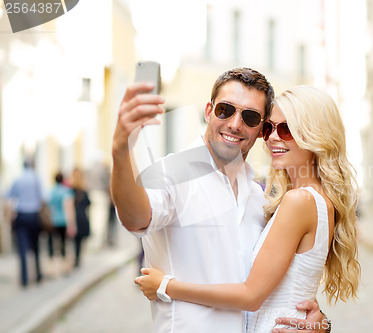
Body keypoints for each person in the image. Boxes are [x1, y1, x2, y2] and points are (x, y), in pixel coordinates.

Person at [111, 68, 328, 332]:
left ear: (261, 130)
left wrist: (315, 320)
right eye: (225, 110)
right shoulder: (173, 173)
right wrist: (122, 150)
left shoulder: (259, 198)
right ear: (208, 112)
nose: (235, 124)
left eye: (249, 117)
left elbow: (271, 284)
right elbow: (135, 217)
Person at [6, 159, 44, 287]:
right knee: (36, 246)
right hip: (33, 215)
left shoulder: (18, 179)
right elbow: (43, 197)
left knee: (22, 248)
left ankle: (24, 278)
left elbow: (9, 196)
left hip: (21, 215)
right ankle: (38, 273)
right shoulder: (36, 178)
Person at [47, 172, 76, 276]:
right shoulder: (66, 192)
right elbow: (69, 208)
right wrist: (72, 224)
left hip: (52, 220)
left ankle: (52, 268)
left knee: (52, 244)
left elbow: (48, 207)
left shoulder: (51, 191)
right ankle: (65, 267)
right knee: (63, 244)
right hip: (63, 221)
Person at [71, 168, 91, 268]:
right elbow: (88, 204)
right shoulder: (83, 191)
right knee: (80, 240)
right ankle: (78, 257)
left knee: (75, 240)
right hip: (82, 217)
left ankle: (76, 257)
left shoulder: (71, 190)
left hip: (75, 216)